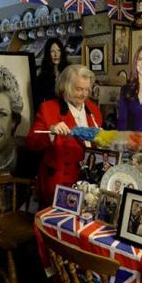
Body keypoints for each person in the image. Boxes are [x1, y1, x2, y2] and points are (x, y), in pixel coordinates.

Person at [26, 64, 102, 206]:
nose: (84, 94)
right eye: (79, 89)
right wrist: (51, 131)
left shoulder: (94, 110)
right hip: (58, 183)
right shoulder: (48, 108)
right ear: (65, 87)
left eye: (87, 89)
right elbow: (31, 143)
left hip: (87, 184)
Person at [34, 38, 69, 111]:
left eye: (58, 50)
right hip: (52, 112)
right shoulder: (42, 77)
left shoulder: (69, 71)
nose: (56, 54)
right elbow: (39, 102)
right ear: (47, 54)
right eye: (52, 51)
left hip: (69, 112)